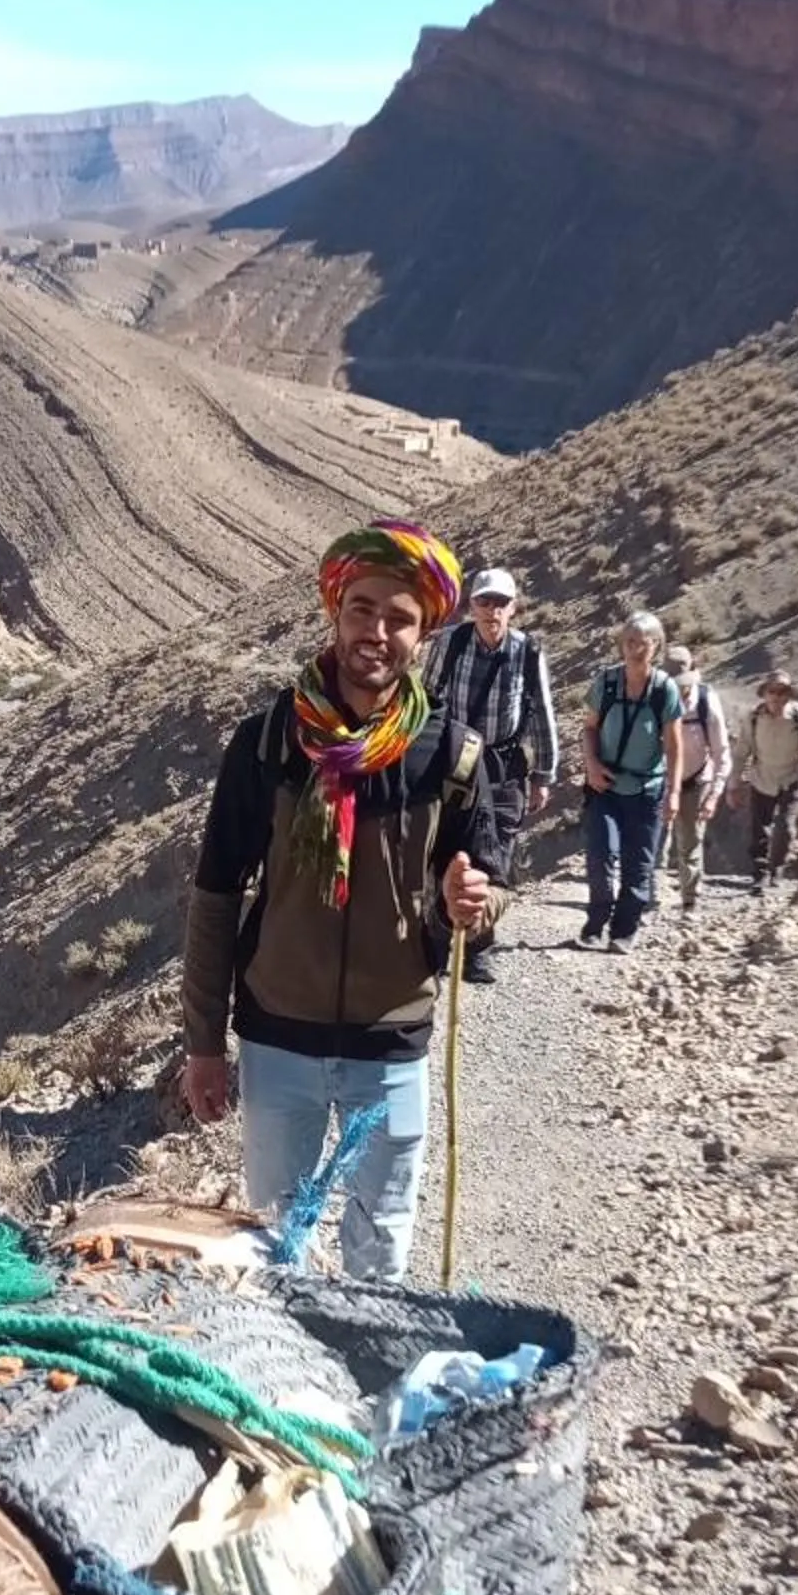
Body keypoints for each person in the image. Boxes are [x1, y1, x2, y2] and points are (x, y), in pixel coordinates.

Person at [181, 521, 502, 1276]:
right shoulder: (268, 742)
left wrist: (473, 905)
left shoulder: (451, 758)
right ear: (336, 611)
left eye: (399, 618)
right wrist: (202, 1044)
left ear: (425, 633)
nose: (377, 632)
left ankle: (363, 1383)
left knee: (381, 1244)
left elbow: (485, 901)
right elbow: (217, 894)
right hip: (276, 1039)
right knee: (270, 1242)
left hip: (390, 1046)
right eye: (363, 609)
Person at [424, 564, 559, 984]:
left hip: (501, 768)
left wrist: (543, 775)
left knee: (493, 856)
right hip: (454, 761)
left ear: (513, 607)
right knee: (444, 850)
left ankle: (479, 948)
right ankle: (439, 939)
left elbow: (541, 713)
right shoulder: (449, 644)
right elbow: (426, 700)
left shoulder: (527, 651)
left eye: (501, 602)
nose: (492, 610)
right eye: (484, 601)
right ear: (471, 605)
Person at [578, 611, 682, 951]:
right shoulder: (606, 683)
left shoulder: (664, 689)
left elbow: (674, 745)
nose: (636, 649)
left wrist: (674, 792)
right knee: (600, 855)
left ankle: (624, 932)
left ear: (657, 646)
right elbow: (589, 727)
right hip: (604, 786)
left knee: (639, 863)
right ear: (621, 645)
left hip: (647, 790)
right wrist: (591, 765)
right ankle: (595, 924)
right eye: (630, 642)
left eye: (645, 642)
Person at [730, 668, 798, 891]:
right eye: (773, 691)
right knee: (760, 829)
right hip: (762, 778)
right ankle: (759, 873)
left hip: (790, 778)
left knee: (786, 827)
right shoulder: (753, 718)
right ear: (765, 693)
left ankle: (777, 868)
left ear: (789, 695)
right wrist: (734, 784)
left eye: (783, 692)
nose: (778, 697)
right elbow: (742, 751)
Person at [662, 645, 730, 916]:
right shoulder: (656, 700)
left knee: (689, 842)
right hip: (662, 780)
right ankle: (644, 898)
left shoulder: (706, 702)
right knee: (655, 840)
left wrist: (714, 795)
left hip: (696, 779)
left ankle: (689, 900)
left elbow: (721, 751)